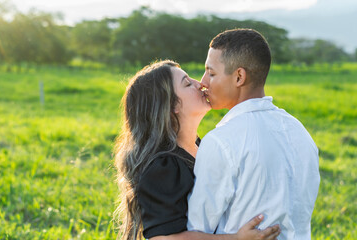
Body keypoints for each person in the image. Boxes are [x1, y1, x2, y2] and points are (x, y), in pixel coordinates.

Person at [114, 60, 281, 240]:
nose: (200, 84)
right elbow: (164, 238)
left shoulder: (204, 146)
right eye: (187, 83)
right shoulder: (164, 167)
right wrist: (235, 239)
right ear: (172, 106)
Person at [187, 29, 320, 239]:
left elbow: (196, 228)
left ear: (239, 77)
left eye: (211, 73)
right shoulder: (300, 133)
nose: (203, 82)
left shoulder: (221, 141)